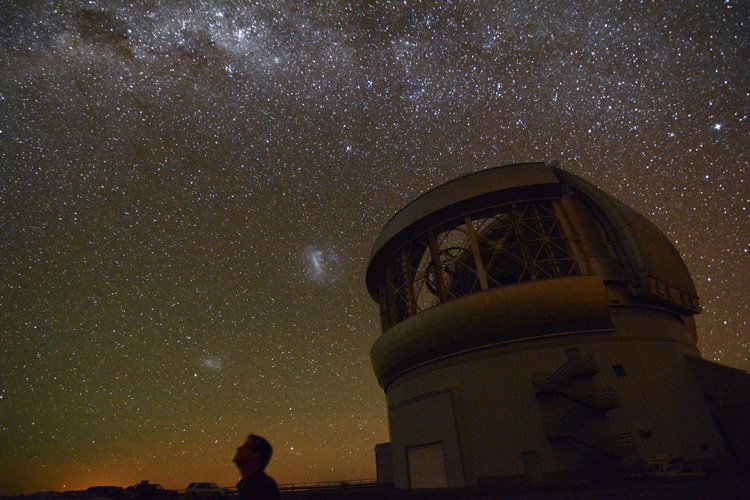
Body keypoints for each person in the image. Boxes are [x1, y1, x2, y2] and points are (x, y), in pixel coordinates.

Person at [233, 434, 280, 500]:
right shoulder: (247, 485)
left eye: (245, 446)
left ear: (256, 455)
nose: (239, 448)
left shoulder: (264, 487)